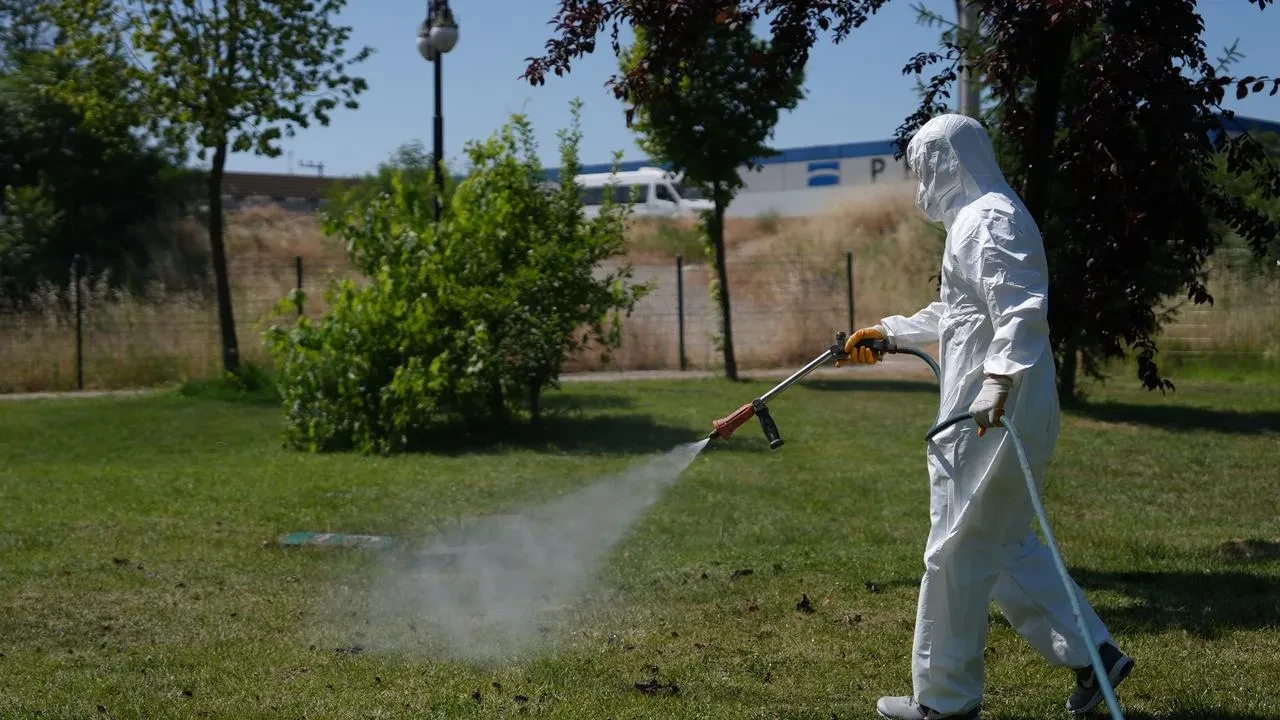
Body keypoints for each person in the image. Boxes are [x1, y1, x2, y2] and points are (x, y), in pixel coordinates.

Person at [842, 114, 1134, 720]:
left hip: (992, 416)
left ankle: (944, 703)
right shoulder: (976, 220)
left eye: (924, 166)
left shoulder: (990, 219)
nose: (919, 179)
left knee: (953, 554)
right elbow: (960, 312)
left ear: (950, 160)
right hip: (999, 411)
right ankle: (1093, 655)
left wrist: (995, 382)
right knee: (1000, 546)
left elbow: (1022, 307)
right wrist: (891, 332)